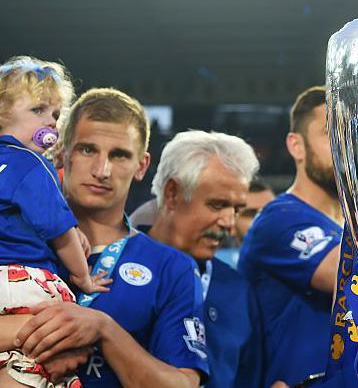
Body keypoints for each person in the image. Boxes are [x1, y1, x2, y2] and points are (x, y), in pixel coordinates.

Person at [3, 88, 209, 388]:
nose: (102, 170)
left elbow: (182, 385)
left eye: (119, 155)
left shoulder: (170, 267)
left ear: (142, 166)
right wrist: (49, 338)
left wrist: (104, 330)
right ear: (60, 152)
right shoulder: (12, 241)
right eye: (87, 150)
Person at [0, 58, 109, 388]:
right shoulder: (32, 163)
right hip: (27, 282)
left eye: (56, 114)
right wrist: (83, 276)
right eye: (38, 110)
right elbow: (60, 231)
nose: (51, 122)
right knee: (55, 355)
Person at [238, 86, 343, 387]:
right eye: (330, 132)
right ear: (297, 146)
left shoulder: (356, 227)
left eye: (352, 132)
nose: (344, 144)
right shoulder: (279, 218)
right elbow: (352, 276)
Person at [146, 130, 264, 388]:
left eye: (237, 209)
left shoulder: (237, 291)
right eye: (217, 205)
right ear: (172, 193)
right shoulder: (117, 267)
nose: (229, 223)